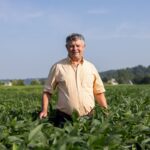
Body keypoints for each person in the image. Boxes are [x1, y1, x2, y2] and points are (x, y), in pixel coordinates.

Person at [39, 33, 108, 126]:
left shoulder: (91, 67)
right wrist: (44, 110)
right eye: (71, 46)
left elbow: (99, 92)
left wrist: (105, 110)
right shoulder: (58, 67)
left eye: (78, 46)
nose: (75, 49)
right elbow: (47, 91)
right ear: (66, 47)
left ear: (84, 47)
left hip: (88, 117)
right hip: (64, 118)